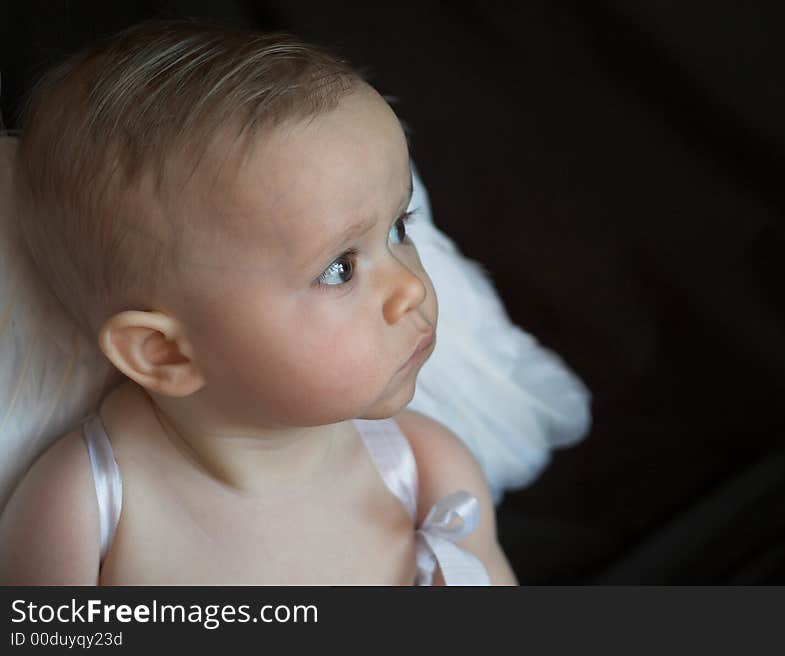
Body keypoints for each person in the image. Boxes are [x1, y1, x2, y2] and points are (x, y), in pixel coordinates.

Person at [0, 20, 517, 585]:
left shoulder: (426, 469)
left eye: (399, 229)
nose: (412, 287)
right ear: (165, 352)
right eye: (339, 268)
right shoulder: (85, 508)